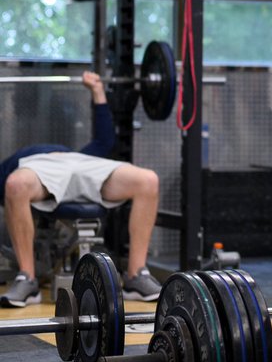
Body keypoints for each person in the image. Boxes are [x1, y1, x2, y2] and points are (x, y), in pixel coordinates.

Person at [1, 72, 162, 307]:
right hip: (41, 168)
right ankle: (27, 279)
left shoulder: (84, 153)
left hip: (79, 162)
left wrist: (97, 90)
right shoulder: (20, 160)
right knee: (15, 185)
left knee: (148, 180)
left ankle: (137, 275)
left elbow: (105, 141)